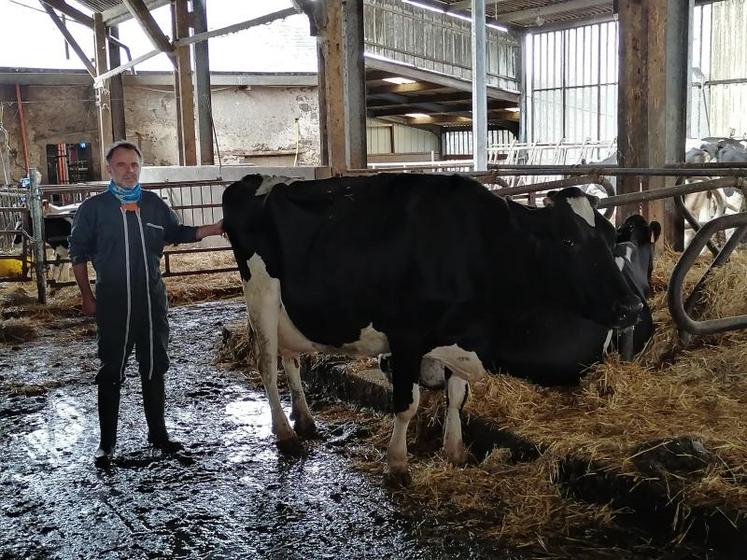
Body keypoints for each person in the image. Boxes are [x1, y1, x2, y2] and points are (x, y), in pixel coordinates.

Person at [69, 140, 224, 467]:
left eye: (134, 165)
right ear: (109, 169)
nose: (129, 171)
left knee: (154, 366)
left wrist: (215, 228)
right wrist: (86, 296)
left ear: (141, 168)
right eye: (122, 165)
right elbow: (78, 254)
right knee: (111, 369)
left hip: (152, 301)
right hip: (113, 302)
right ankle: (106, 444)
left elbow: (178, 232)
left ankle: (158, 434)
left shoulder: (154, 205)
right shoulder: (93, 209)